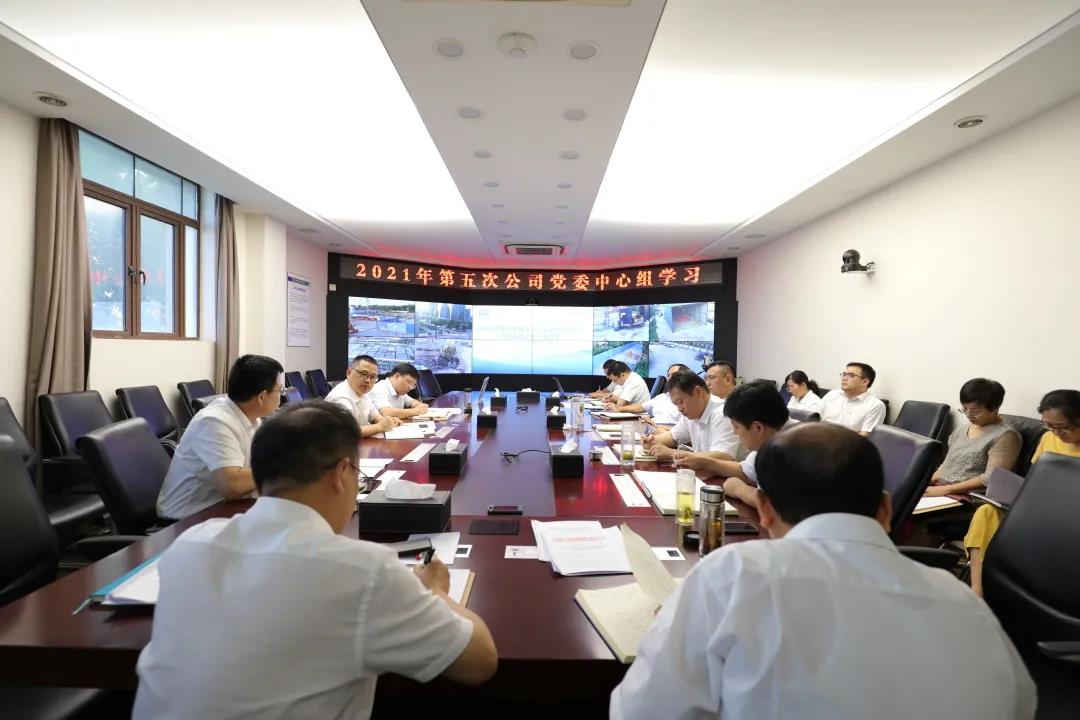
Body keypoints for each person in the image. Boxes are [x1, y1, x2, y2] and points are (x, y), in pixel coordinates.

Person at [611, 423, 1035, 720]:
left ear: (764, 509)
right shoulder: (967, 604)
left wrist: (669, 627)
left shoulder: (733, 575)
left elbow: (642, 711)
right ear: (886, 508)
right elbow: (1020, 703)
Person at [133, 401, 498, 719]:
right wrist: (436, 591)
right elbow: (480, 662)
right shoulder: (364, 571)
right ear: (340, 474)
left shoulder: (189, 544)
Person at [966, 388, 1080, 596]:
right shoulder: (1048, 438)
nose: (1056, 433)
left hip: (1070, 519)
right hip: (1039, 509)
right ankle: (978, 590)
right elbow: (1037, 478)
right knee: (986, 513)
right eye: (1049, 425)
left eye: (1064, 427)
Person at [156, 354, 283, 520]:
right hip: (184, 520)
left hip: (222, 509)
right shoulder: (214, 422)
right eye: (279, 390)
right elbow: (233, 485)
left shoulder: (251, 417)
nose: (281, 396)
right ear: (261, 396)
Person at [677, 380, 794, 508]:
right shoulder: (770, 436)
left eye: (737, 427)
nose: (735, 432)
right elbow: (744, 471)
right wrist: (703, 462)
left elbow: (779, 506)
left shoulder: (793, 448)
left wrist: (741, 490)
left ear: (757, 428)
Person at [923, 379, 1020, 497]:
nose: (969, 415)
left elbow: (991, 479)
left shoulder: (1005, 436)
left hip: (968, 496)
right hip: (941, 488)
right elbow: (947, 465)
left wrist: (946, 490)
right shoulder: (961, 430)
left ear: (995, 409)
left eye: (976, 411)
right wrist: (924, 483)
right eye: (964, 409)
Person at [642, 370, 739, 462]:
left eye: (680, 402)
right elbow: (673, 437)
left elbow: (723, 457)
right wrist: (651, 441)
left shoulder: (723, 413)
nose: (679, 409)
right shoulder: (693, 413)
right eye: (676, 404)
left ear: (698, 391)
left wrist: (674, 454)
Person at [325, 354, 403, 438]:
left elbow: (374, 415)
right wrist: (380, 427)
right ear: (349, 373)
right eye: (363, 373)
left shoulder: (362, 393)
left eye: (373, 377)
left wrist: (385, 421)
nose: (368, 380)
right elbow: (346, 433)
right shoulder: (339, 398)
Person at [819, 362, 886, 435]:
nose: (844, 378)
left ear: (864, 381)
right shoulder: (832, 394)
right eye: (844, 374)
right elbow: (814, 417)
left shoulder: (875, 405)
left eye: (851, 375)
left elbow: (864, 436)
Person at [619, 363, 688, 426]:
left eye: (674, 375)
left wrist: (657, 426)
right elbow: (641, 407)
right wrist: (619, 409)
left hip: (665, 430)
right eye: (668, 375)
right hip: (652, 427)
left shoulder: (688, 400)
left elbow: (683, 431)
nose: (670, 378)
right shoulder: (663, 396)